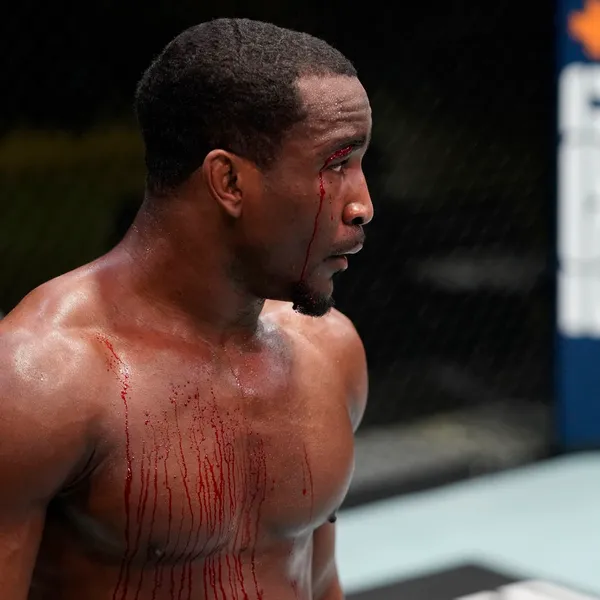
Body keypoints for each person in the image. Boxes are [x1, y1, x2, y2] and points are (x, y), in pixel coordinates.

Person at [0, 17, 373, 600]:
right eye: (335, 164)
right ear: (229, 181)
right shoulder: (42, 380)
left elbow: (319, 580)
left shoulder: (329, 352)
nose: (363, 205)